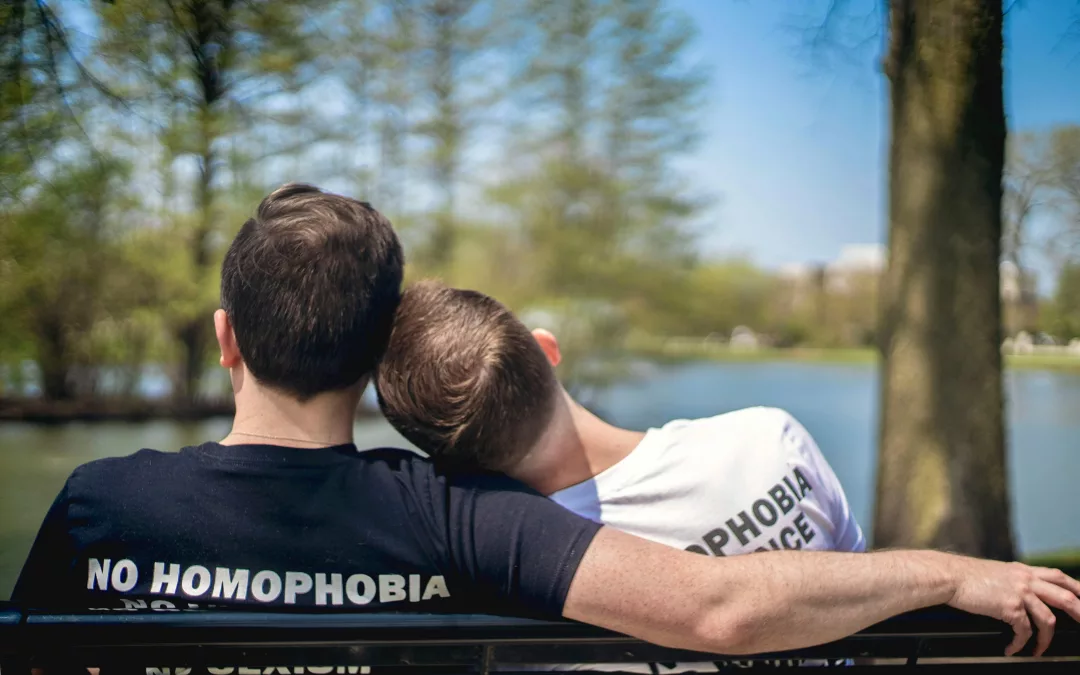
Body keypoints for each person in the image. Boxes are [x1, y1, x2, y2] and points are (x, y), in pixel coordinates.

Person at [12, 184, 1080, 667]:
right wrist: (943, 572)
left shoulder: (100, 503)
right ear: (377, 351)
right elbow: (717, 608)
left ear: (225, 339)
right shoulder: (455, 517)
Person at [374, 281, 867, 670]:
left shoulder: (506, 570)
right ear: (547, 350)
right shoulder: (768, 437)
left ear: (446, 458)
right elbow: (865, 587)